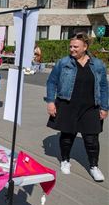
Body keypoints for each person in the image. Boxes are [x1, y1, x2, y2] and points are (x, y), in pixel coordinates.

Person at [45, 32, 108, 182]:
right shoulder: (63, 62)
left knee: (92, 139)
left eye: (76, 46)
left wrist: (105, 107)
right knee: (67, 136)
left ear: (85, 47)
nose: (72, 49)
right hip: (68, 105)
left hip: (90, 107)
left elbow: (104, 86)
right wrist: (50, 101)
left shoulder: (98, 64)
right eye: (71, 46)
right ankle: (65, 160)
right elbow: (51, 82)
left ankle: (94, 166)